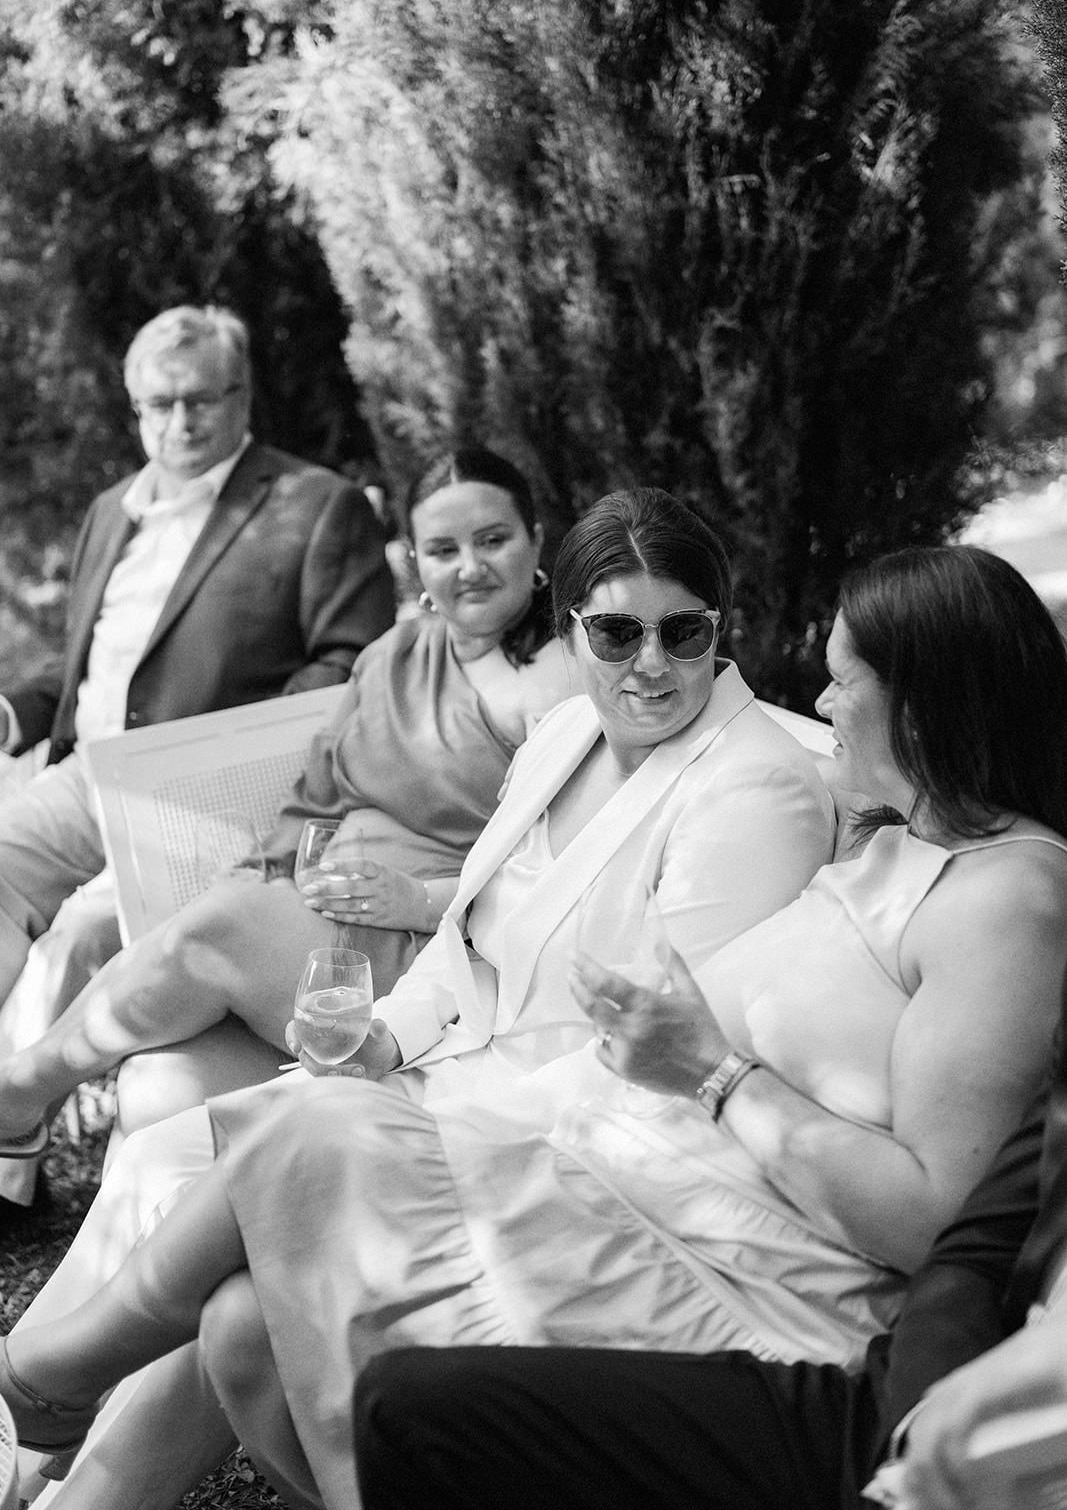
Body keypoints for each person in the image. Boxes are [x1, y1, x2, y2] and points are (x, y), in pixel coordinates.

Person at [0, 486, 835, 1510]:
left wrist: (407, 1115)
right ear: (570, 626)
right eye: (617, 633)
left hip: (564, 1152)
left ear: (720, 626)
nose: (651, 663)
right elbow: (464, 938)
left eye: (683, 631)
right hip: (446, 1083)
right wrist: (382, 1044)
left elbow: (659, 1058)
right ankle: (42, 1448)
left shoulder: (752, 792)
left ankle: (43, 1418)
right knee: (165, 1157)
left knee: (231, 1213)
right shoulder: (563, 735)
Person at [0, 445, 575, 1154]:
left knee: (209, 934)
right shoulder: (392, 654)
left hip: (428, 949)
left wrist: (421, 900)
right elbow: (318, 793)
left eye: (492, 540)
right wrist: (276, 873)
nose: (469, 567)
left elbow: (561, 872)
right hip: (308, 918)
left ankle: (16, 1096)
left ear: (535, 541)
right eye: (442, 549)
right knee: (161, 1088)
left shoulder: (565, 678)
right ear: (415, 562)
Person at [350, 979, 1067, 1510]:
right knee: (405, 1403)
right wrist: (913, 1425)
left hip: (983, 1423)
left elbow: (933, 1219)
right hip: (911, 1398)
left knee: (336, 1138)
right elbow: (976, 1246)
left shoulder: (1012, 903)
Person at [0, 304, 395, 1204]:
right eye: (159, 404)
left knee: (85, 932)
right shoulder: (112, 510)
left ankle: (11, 1167)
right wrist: (15, 711)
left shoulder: (315, 504)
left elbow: (350, 666)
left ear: (241, 396)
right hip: (89, 774)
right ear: (135, 407)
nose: (179, 422)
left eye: (201, 400)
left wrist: (217, 747)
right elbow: (95, 660)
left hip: (204, 795)